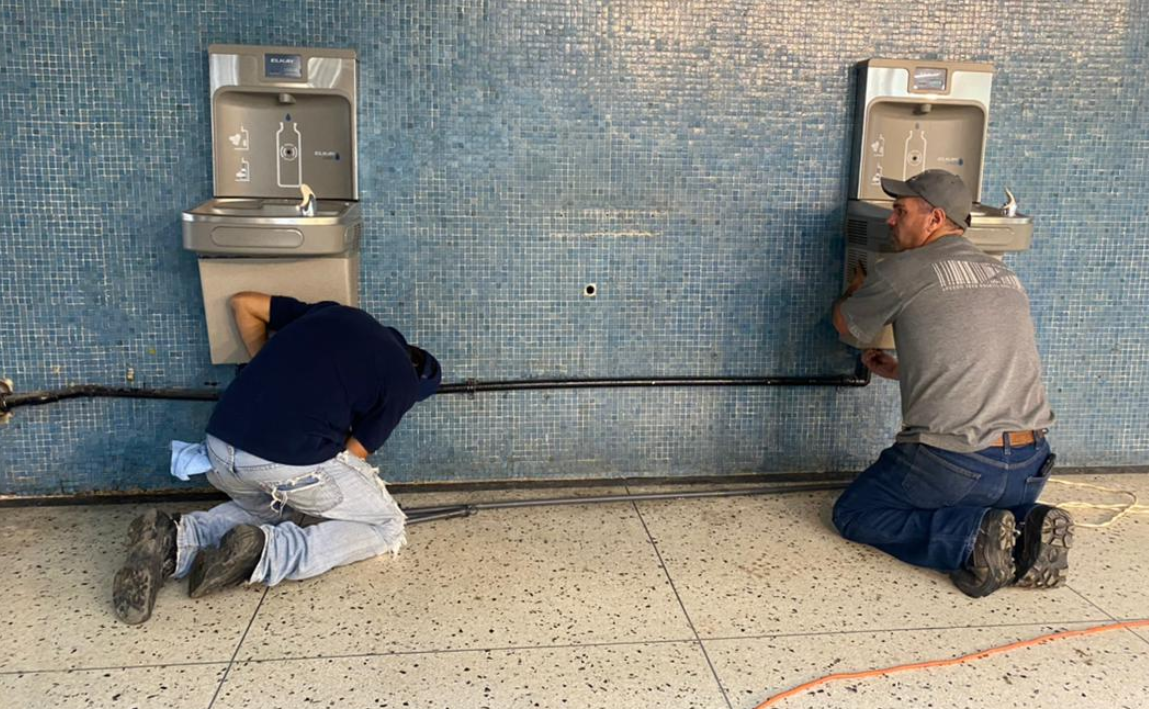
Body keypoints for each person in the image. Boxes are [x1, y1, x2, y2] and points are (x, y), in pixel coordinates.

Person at [113, 292, 441, 624]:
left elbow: (243, 303)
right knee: (386, 524)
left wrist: (266, 373)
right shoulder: (402, 381)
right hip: (279, 462)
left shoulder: (336, 314)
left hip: (219, 446)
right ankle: (265, 555)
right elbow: (350, 456)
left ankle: (176, 538)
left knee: (274, 506)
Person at [831, 169, 1073, 598]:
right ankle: (1027, 528)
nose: (890, 220)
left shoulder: (903, 270)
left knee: (856, 511)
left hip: (957, 464)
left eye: (899, 211)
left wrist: (853, 291)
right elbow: (984, 359)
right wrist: (902, 368)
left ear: (934, 218)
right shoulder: (1004, 277)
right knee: (986, 500)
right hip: (1031, 462)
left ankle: (971, 539)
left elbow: (849, 329)